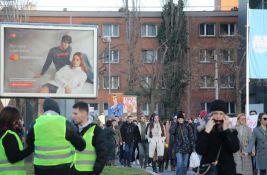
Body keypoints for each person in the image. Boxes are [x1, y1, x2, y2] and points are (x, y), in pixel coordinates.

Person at [26, 98, 86, 175]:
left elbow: (29, 142)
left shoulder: (35, 123)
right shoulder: (66, 123)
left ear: (44, 110)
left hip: (41, 167)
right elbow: (81, 145)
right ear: (57, 109)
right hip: (62, 167)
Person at [196, 99, 240, 175]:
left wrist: (226, 130)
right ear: (211, 115)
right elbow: (199, 150)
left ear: (225, 115)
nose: (218, 116)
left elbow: (234, 148)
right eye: (215, 113)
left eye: (221, 114)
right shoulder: (203, 130)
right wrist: (207, 131)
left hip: (227, 170)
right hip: (209, 170)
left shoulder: (231, 130)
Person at [71, 101, 106, 175]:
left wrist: (96, 171)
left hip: (88, 172)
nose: (72, 116)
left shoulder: (96, 130)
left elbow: (102, 154)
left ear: (84, 114)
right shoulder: (71, 129)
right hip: (72, 171)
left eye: (75, 114)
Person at [0, 106, 31, 175]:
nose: (18, 121)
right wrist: (30, 149)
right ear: (11, 119)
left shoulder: (3, 134)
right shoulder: (9, 135)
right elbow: (13, 158)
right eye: (17, 119)